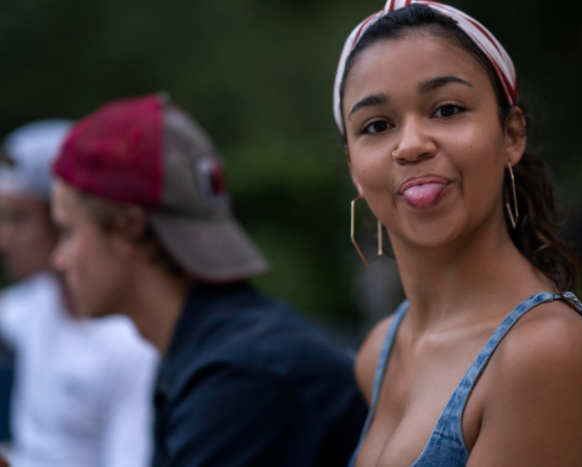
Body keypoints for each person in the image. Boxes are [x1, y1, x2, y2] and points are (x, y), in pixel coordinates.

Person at [334, 2, 582, 466]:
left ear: (511, 135)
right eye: (378, 125)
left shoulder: (546, 354)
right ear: (353, 166)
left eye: (446, 110)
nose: (410, 145)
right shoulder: (381, 350)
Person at [49, 94, 367, 467]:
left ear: (127, 229)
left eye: (67, 231)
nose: (59, 259)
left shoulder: (240, 381)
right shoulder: (211, 348)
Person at [0, 120, 158, 467]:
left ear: (63, 219)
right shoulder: (36, 303)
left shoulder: (129, 344)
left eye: (20, 219)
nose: (4, 239)